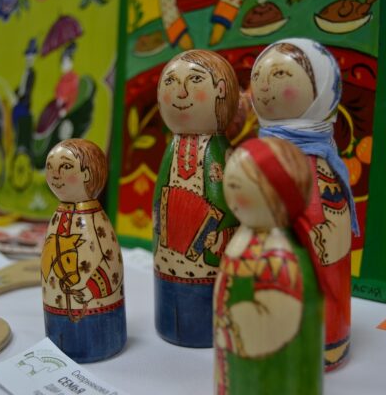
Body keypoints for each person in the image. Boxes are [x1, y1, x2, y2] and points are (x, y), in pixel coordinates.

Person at [251, 38, 357, 370]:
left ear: (321, 85)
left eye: (280, 75)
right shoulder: (263, 158)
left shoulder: (321, 164)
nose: (264, 86)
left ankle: (326, 342)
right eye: (259, 77)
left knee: (320, 283)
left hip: (318, 254)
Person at [214, 137, 323, 395]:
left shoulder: (279, 255)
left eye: (238, 185)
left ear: (275, 193)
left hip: (268, 374)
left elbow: (279, 319)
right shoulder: (245, 237)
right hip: (235, 364)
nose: (230, 191)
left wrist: (232, 328)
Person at [153, 49, 239, 347]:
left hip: (212, 263)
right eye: (170, 82)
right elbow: (161, 204)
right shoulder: (172, 149)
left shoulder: (221, 152)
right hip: (168, 262)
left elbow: (232, 205)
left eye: (195, 80)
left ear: (221, 90)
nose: (181, 92)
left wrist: (221, 235)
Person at [41, 139, 126, 363]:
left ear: (87, 174)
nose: (55, 175)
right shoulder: (59, 216)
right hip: (58, 309)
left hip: (98, 315)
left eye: (66, 166)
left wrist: (89, 290)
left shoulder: (95, 221)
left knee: (94, 334)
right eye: (50, 167)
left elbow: (111, 265)